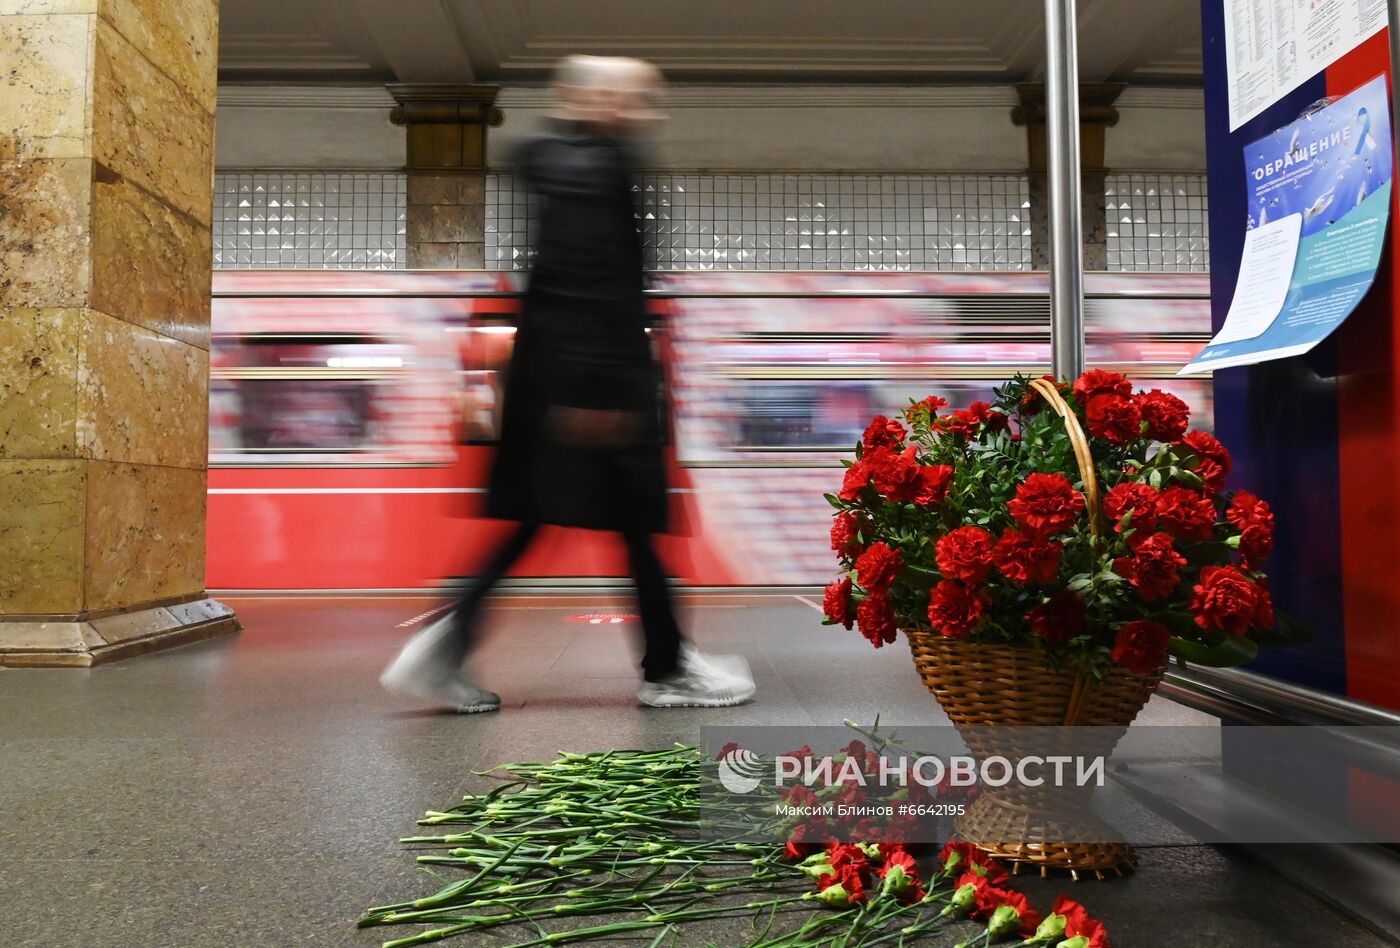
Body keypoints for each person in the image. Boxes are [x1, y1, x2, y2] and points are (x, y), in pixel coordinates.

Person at [381, 56, 755, 712]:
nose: (646, 113)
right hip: (588, 389)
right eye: (632, 99)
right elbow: (587, 281)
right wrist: (598, 393)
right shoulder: (593, 170)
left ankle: (448, 649)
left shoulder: (575, 164)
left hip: (559, 382)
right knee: (627, 524)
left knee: (561, 526)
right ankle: (666, 669)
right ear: (587, 99)